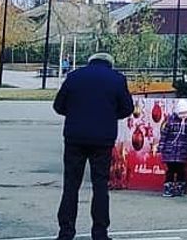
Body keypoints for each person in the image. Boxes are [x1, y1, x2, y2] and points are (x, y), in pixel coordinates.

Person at [52, 52, 134, 240]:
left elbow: (58, 106)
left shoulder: (74, 76)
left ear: (90, 62)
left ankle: (65, 232)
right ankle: (99, 232)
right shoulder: (117, 79)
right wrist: (110, 115)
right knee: (100, 186)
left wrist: (75, 113)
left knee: (71, 186)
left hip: (75, 137)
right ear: (110, 64)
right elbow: (127, 108)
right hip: (102, 139)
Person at [158, 100, 187, 197]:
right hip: (170, 151)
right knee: (170, 170)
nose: (184, 116)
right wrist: (161, 148)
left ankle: (179, 188)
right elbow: (164, 136)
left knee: (181, 171)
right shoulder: (170, 122)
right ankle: (168, 188)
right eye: (181, 113)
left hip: (183, 151)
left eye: (186, 113)